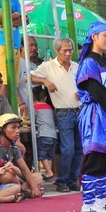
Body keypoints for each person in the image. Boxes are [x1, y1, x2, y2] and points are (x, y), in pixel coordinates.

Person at [75, 21, 106, 212]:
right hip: (96, 114)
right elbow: (97, 91)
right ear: (94, 37)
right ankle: (88, 203)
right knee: (95, 155)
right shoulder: (89, 62)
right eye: (105, 36)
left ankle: (101, 200)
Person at [31, 37, 82, 192]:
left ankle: (72, 180)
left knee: (79, 149)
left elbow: (84, 83)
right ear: (57, 51)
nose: (68, 53)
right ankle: (62, 181)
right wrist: (45, 82)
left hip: (79, 110)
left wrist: (82, 93)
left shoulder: (76, 66)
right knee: (68, 149)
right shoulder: (48, 66)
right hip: (63, 112)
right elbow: (28, 77)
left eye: (70, 50)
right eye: (64, 50)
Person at [0, 114, 43, 197]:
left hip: (13, 178)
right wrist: (16, 177)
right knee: (7, 176)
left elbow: (25, 170)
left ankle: (23, 190)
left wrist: (35, 188)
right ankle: (24, 191)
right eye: (13, 128)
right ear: (1, 130)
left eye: (18, 127)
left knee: (38, 177)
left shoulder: (14, 147)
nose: (17, 131)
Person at [32, 86, 56, 181]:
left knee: (42, 155)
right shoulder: (49, 107)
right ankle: (49, 173)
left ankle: (49, 172)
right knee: (49, 156)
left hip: (43, 134)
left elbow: (32, 121)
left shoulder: (35, 107)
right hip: (53, 135)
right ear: (45, 98)